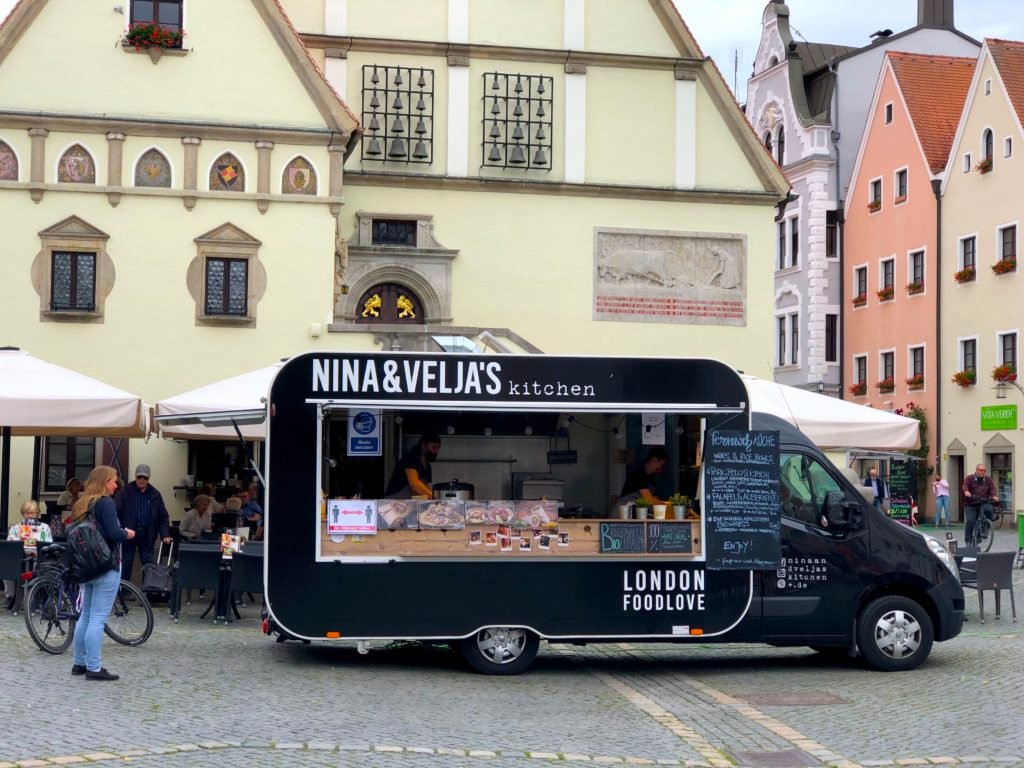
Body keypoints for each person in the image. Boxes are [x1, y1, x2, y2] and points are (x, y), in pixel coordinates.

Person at [70, 466, 135, 681]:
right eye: (113, 480)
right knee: (97, 619)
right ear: (104, 482)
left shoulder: (83, 503)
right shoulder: (106, 503)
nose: (116, 485)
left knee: (86, 616)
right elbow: (113, 534)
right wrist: (127, 533)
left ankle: (79, 663)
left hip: (87, 566)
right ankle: (94, 668)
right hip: (106, 565)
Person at [115, 464, 171, 582]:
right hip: (129, 534)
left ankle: (149, 589)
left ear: (149, 478)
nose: (142, 479)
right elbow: (116, 511)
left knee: (148, 565)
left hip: (147, 534)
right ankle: (124, 590)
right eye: (139, 477)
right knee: (125, 565)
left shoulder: (155, 494)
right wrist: (119, 530)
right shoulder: (125, 492)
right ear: (135, 476)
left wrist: (165, 534)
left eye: (145, 477)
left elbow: (162, 516)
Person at [4, 500, 53, 610]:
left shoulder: (45, 527)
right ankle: (11, 596)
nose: (30, 516)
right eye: (27, 513)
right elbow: (9, 544)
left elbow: (49, 543)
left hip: (38, 558)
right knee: (7, 569)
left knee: (41, 568)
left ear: (37, 513)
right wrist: (18, 539)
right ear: (23, 514)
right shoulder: (16, 528)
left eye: (33, 513)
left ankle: (35, 598)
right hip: (19, 559)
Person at [385, 432, 441, 498]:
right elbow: (414, 483)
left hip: (410, 501)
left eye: (438, 449)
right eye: (434, 447)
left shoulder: (428, 467)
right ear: (423, 445)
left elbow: (426, 488)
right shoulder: (410, 458)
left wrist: (435, 497)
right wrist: (433, 496)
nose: (436, 451)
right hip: (394, 500)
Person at [962, 463, 997, 544]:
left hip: (983, 502)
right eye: (981, 470)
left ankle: (984, 529)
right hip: (971, 503)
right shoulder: (969, 478)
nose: (983, 472)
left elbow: (992, 488)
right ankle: (968, 540)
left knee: (989, 510)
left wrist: (994, 496)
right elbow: (965, 485)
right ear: (977, 470)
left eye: (984, 470)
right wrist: (966, 491)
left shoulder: (988, 479)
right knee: (971, 521)